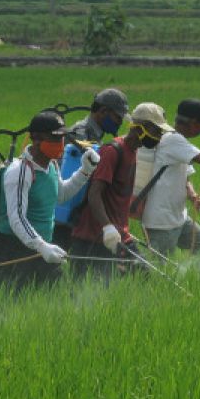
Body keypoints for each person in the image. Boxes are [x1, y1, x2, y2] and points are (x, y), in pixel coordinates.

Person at [0, 111, 100, 296]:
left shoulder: (51, 164)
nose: (60, 143)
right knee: (2, 311)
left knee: (62, 306)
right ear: (36, 139)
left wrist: (85, 171)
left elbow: (60, 195)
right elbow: (17, 218)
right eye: (54, 138)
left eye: (62, 138)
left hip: (40, 250)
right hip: (10, 253)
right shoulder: (20, 171)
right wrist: (42, 246)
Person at [69, 103, 162, 280]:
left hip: (118, 235)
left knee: (143, 276)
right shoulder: (112, 151)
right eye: (156, 131)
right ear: (140, 128)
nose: (158, 137)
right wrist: (108, 227)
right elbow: (94, 194)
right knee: (88, 290)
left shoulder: (132, 151)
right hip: (94, 237)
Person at [141, 99, 200, 256]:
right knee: (158, 268)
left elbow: (185, 178)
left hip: (179, 219)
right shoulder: (172, 139)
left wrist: (193, 195)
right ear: (195, 123)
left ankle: (192, 278)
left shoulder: (177, 142)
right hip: (161, 221)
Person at [56, 87, 129, 247]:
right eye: (118, 117)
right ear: (103, 111)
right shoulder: (80, 135)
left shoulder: (94, 135)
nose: (120, 122)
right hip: (66, 207)